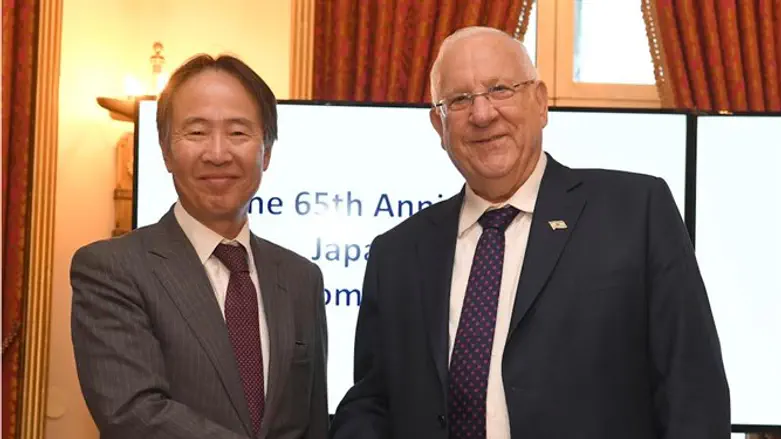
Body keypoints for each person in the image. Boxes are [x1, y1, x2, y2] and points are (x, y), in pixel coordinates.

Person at [329, 26, 730, 439]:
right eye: (461, 100)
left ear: (540, 103)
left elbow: (693, 392)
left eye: (500, 89)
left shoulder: (635, 211)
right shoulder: (396, 252)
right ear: (439, 124)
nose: (482, 114)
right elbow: (373, 399)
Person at [70, 54, 328, 439]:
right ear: (165, 151)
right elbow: (132, 413)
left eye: (238, 133)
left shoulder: (301, 278)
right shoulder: (111, 269)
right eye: (196, 132)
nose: (218, 153)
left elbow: (312, 423)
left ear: (267, 152)